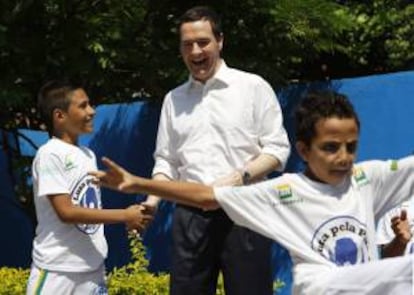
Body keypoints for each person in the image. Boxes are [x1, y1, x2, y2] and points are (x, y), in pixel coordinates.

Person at [91, 91, 414, 295]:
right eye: (330, 148)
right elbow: (205, 196)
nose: (343, 157)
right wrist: (137, 183)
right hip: (320, 287)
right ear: (303, 149)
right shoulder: (284, 193)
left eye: (350, 147)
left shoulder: (367, 179)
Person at [142, 5, 290, 295]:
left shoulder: (252, 87)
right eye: (187, 45)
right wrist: (151, 202)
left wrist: (234, 180)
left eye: (203, 42)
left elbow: (276, 149)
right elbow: (166, 162)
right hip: (190, 214)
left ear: (220, 41)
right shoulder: (174, 100)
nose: (196, 52)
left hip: (245, 210)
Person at [26, 80, 153, 295]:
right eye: (83, 106)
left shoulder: (87, 155)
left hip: (92, 269)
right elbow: (66, 212)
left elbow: (86, 201)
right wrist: (124, 215)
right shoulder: (49, 154)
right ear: (59, 116)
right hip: (58, 271)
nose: (92, 111)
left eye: (90, 104)